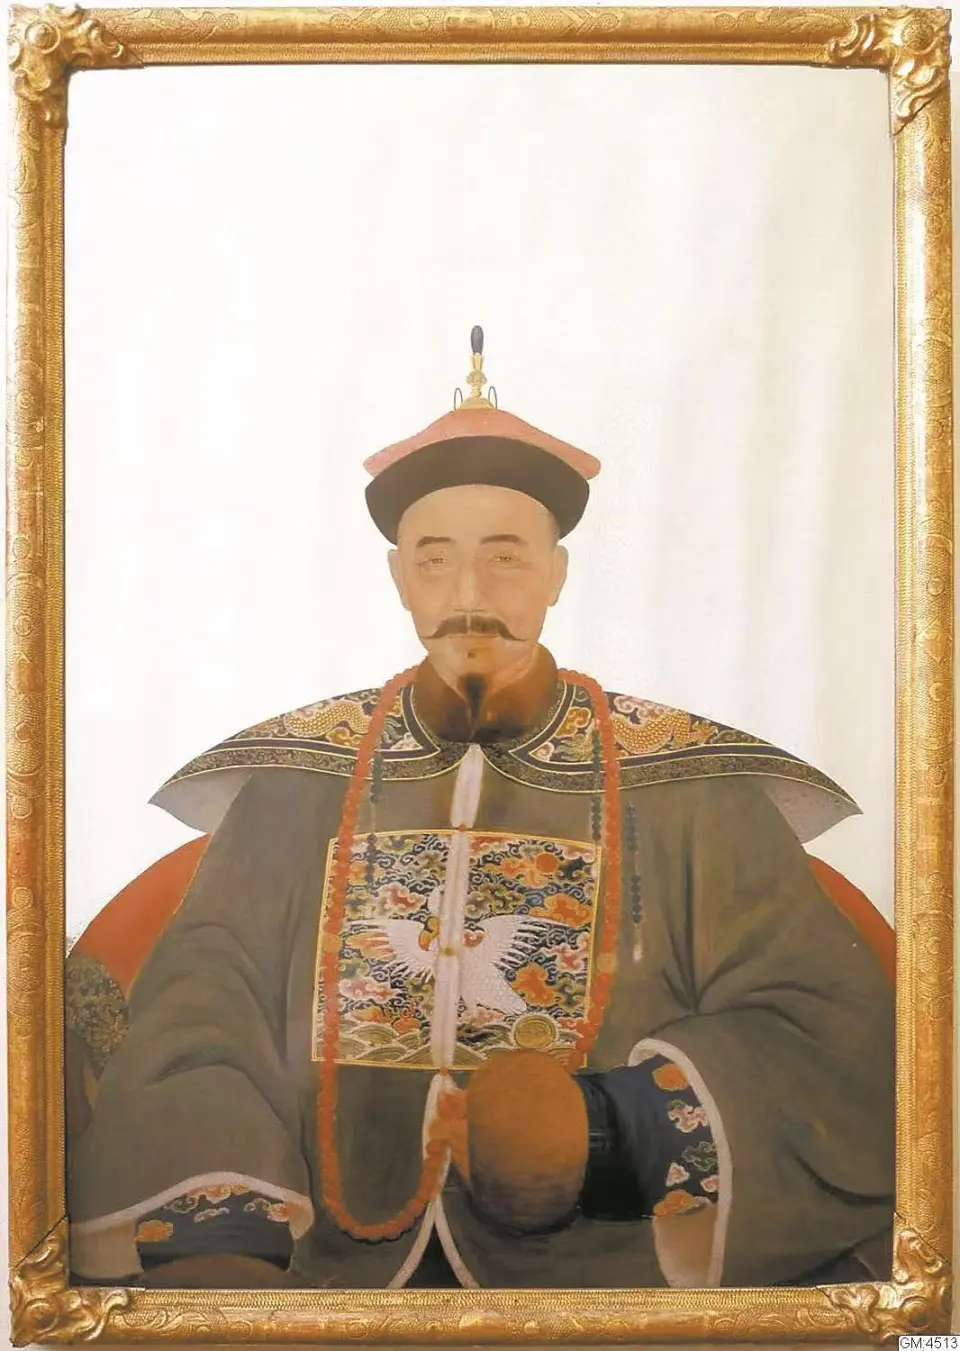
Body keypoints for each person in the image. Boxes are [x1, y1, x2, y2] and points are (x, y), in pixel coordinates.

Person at [68, 329, 894, 1292]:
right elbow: (205, 1004)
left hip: (609, 1281)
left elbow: (825, 1028)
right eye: (435, 560)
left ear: (556, 573)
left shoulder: (690, 787)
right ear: (399, 578)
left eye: (505, 559)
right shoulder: (298, 783)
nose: (470, 595)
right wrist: (224, 1229)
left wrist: (607, 1129)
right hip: (325, 1268)